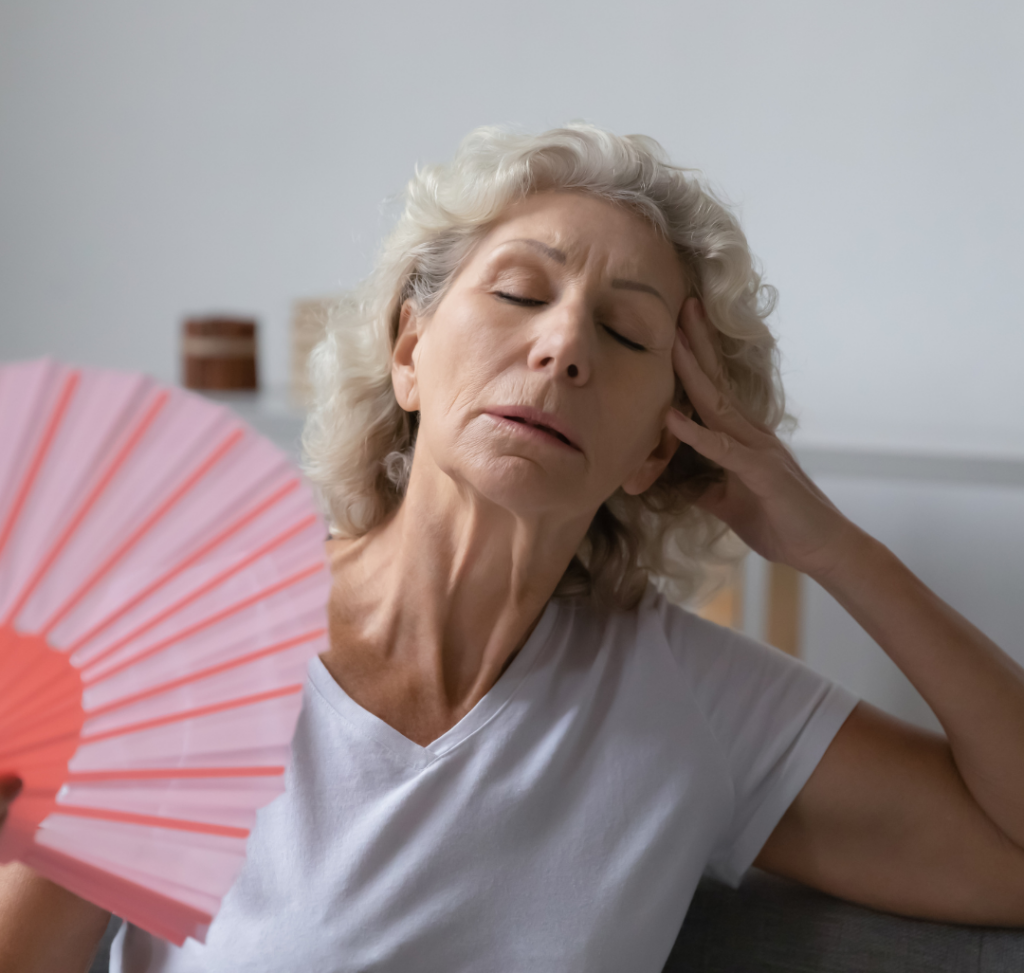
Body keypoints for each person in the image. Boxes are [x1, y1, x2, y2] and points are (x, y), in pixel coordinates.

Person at [2, 124, 1023, 972]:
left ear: (654, 447)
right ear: (411, 352)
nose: (564, 344)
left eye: (625, 336)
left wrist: (835, 548)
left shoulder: (696, 703)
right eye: (520, 292)